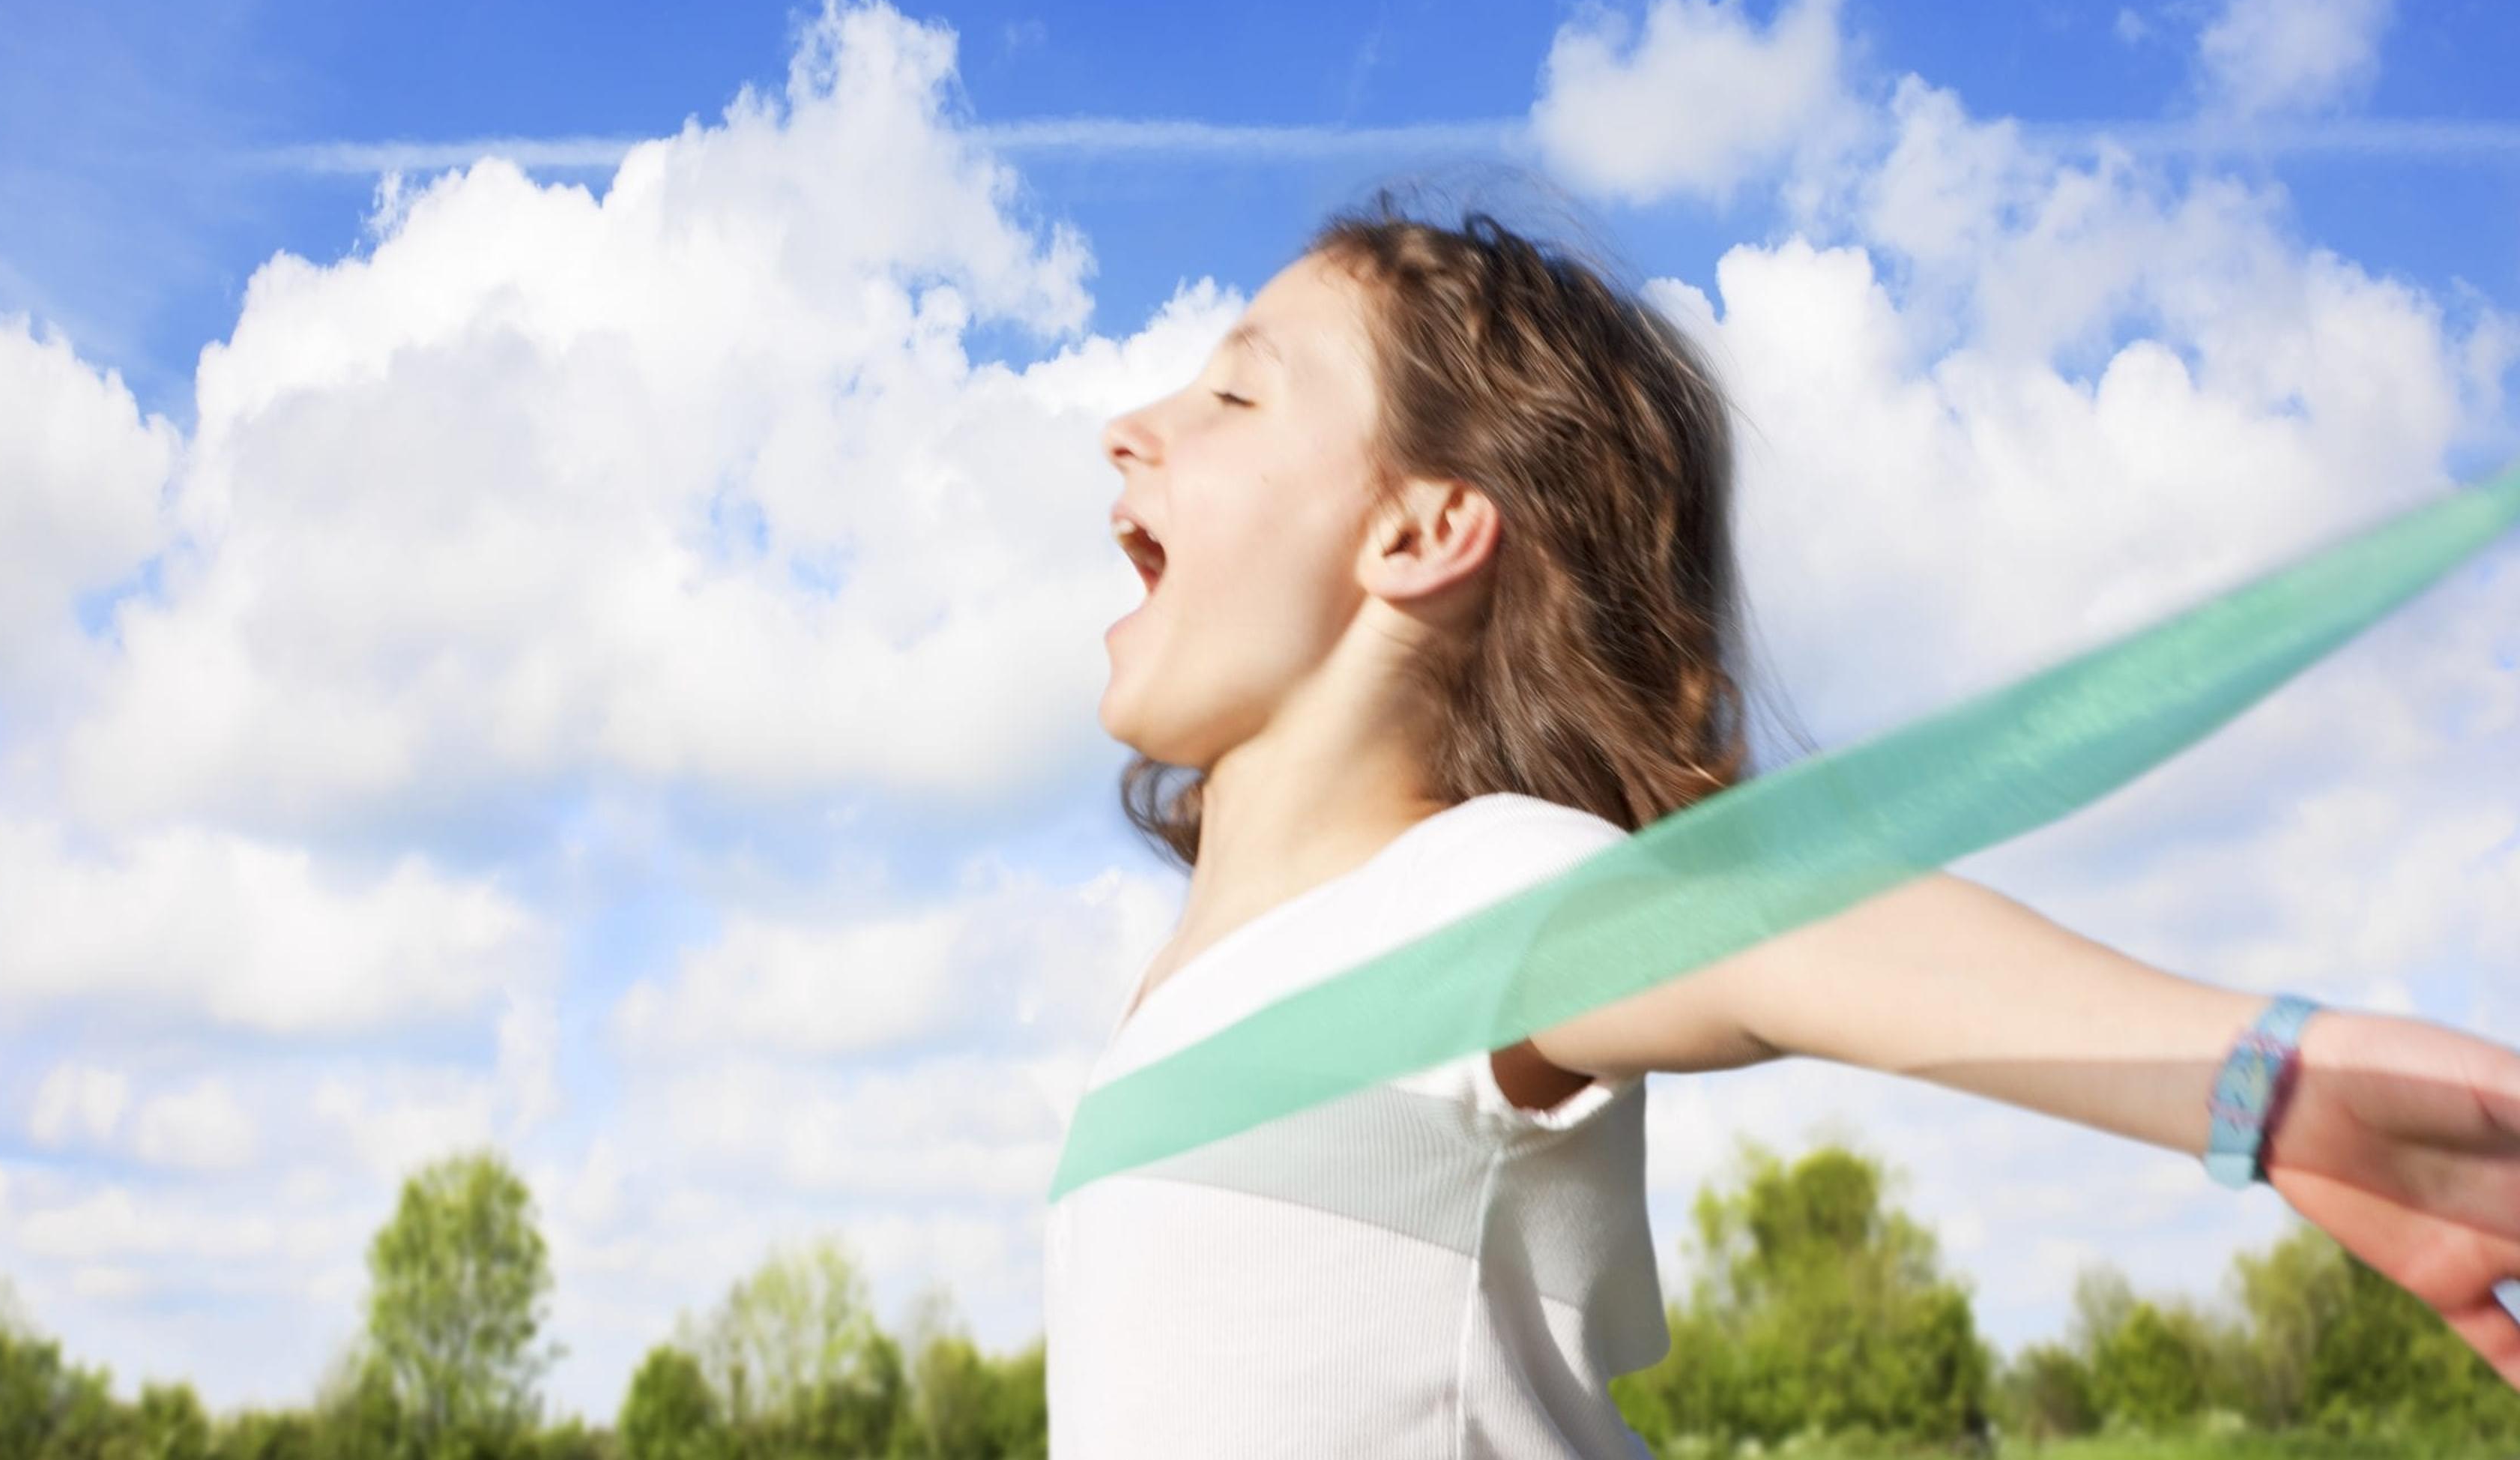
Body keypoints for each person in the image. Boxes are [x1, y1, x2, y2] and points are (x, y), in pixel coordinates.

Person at [1040, 202, 2520, 1457]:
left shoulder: (1469, 896)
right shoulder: (1181, 1000)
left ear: (1424, 531)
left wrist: (2259, 1081)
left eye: (1234, 398)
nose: (1131, 428)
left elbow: (1770, 924)